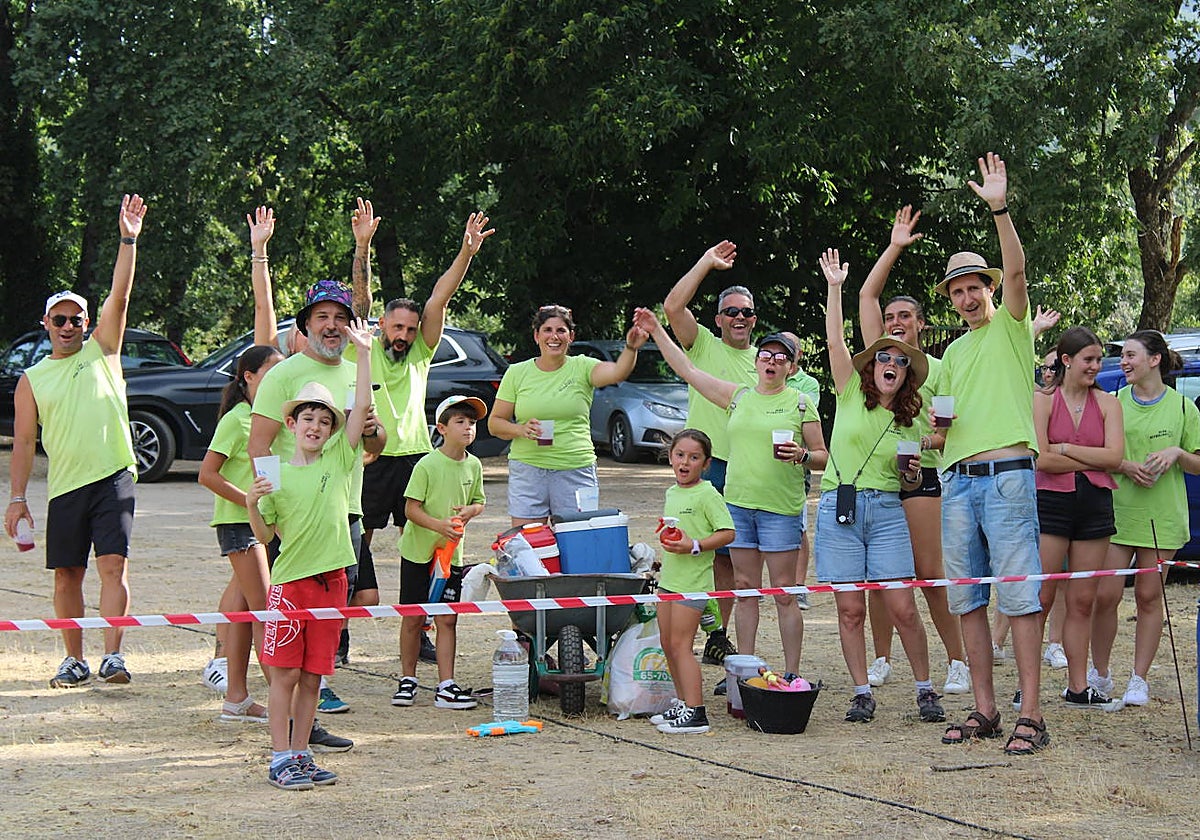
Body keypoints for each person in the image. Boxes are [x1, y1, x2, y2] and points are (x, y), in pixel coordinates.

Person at [634, 308, 828, 678]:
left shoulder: (801, 403)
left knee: (784, 593)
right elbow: (689, 371)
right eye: (766, 356)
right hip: (739, 506)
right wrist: (657, 329)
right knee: (743, 588)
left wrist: (802, 455)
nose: (772, 362)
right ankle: (745, 672)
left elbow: (822, 456)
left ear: (791, 366)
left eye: (781, 357)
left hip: (779, 510)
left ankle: (791, 674)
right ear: (756, 362)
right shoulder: (738, 396)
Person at [6, 194, 146, 688]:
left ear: (87, 324)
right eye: (59, 320)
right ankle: (74, 658)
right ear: (46, 325)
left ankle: (113, 655)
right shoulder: (32, 379)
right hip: (65, 485)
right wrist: (18, 499)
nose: (68, 326)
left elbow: (120, 295)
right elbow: (23, 444)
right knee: (67, 575)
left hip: (113, 476)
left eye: (75, 319)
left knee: (113, 565)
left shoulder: (103, 350)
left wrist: (128, 239)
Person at [935, 153, 1048, 756]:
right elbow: (943, 421)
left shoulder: (1011, 324)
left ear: (988, 288)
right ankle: (986, 709)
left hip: (1005, 476)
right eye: (957, 290)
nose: (966, 296)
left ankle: (1031, 712)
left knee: (1020, 597)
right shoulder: (952, 353)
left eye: (973, 285)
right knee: (967, 601)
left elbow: (1018, 270)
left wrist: (999, 208)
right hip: (957, 482)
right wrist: (924, 440)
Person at [349, 207, 494, 668]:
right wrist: (362, 245)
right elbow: (360, 301)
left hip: (417, 460)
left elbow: (440, 297)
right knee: (358, 541)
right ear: (382, 327)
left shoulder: (420, 353)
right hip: (374, 461)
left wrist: (466, 252)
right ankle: (338, 629)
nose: (405, 335)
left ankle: (424, 628)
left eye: (411, 329)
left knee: (430, 545)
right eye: (397, 327)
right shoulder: (367, 346)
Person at [248, 276, 383, 747]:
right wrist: (278, 505)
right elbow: (259, 445)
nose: (331, 326)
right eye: (321, 317)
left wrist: (373, 434)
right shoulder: (282, 374)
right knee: (291, 637)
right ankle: (285, 743)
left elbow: (374, 440)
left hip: (344, 508)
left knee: (332, 621)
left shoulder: (354, 371)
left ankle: (309, 725)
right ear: (305, 325)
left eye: (340, 318)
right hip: (296, 514)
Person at [817, 249, 943, 725]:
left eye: (899, 361)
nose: (890, 362)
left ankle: (926, 691)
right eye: (883, 357)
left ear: (907, 374)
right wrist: (835, 288)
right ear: (871, 367)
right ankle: (861, 692)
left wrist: (911, 473)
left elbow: (910, 478)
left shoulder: (912, 417)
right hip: (839, 508)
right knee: (850, 610)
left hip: (888, 510)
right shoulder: (850, 389)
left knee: (902, 606)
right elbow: (833, 342)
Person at [855, 206, 968, 697]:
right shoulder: (874, 361)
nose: (896, 323)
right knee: (882, 578)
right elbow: (865, 294)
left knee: (929, 573)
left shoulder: (940, 370)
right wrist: (895, 245)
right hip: (876, 482)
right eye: (890, 318)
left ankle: (958, 660)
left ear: (921, 323)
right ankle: (881, 659)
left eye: (905, 317)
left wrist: (924, 442)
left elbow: (948, 434)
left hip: (922, 478)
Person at [1090, 330, 1200, 707]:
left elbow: (1198, 464)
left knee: (1149, 596)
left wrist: (1177, 455)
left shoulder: (1185, 409)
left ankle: (1138, 680)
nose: (1123, 362)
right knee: (1104, 596)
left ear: (1154, 360)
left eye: (1131, 355)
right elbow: (1096, 456)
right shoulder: (1112, 402)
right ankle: (1099, 675)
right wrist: (1123, 465)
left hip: (1162, 519)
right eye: (1122, 356)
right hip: (1117, 515)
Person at [662, 242, 757, 665]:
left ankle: (720, 634)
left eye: (747, 312)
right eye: (731, 312)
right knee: (694, 549)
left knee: (731, 560)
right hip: (707, 466)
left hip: (749, 469)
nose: (739, 318)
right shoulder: (701, 345)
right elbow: (673, 306)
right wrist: (706, 263)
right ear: (718, 320)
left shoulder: (767, 360)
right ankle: (706, 627)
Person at [1032, 326, 1124, 711]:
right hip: (1051, 503)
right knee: (1042, 597)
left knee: (1083, 599)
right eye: (1089, 359)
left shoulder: (1108, 404)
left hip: (1095, 505)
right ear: (1066, 361)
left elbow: (1115, 458)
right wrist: (1090, 454)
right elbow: (1041, 457)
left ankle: (1078, 685)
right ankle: (1029, 685)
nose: (1096, 367)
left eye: (1099, 360)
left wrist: (1067, 448)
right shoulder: (1041, 401)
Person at [488, 305, 647, 526]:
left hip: (575, 467)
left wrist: (631, 348)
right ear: (536, 335)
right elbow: (495, 423)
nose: (554, 336)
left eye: (561, 331)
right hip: (529, 469)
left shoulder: (583, 367)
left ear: (571, 336)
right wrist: (520, 429)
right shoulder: (517, 372)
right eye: (547, 330)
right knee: (530, 544)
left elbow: (618, 372)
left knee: (575, 541)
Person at [198, 344, 285, 722]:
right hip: (239, 525)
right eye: (270, 373)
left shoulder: (273, 419)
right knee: (266, 609)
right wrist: (248, 503)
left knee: (243, 612)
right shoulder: (238, 419)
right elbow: (208, 474)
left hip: (257, 523)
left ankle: (237, 697)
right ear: (248, 377)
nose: (277, 381)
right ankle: (285, 702)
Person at [391, 396, 488, 710]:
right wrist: (438, 526)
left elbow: (479, 501)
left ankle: (446, 685)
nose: (468, 428)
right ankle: (408, 679)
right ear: (441, 428)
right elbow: (410, 508)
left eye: (472, 423)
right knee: (413, 618)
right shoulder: (428, 464)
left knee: (447, 620)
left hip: (450, 558)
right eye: (460, 422)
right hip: (419, 553)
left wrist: (471, 510)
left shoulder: (474, 464)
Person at [649, 429, 736, 735]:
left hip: (693, 583)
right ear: (671, 457)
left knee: (683, 647)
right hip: (669, 581)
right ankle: (684, 702)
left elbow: (727, 532)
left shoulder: (708, 494)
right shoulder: (673, 492)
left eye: (694, 457)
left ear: (706, 463)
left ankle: (697, 712)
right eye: (680, 455)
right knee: (668, 644)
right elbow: (680, 532)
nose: (685, 462)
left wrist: (695, 545)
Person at [781, 331, 820, 612]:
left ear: (799, 355)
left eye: (790, 349)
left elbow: (806, 412)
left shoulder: (808, 384)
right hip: (767, 462)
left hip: (797, 460)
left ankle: (799, 586)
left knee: (799, 525)